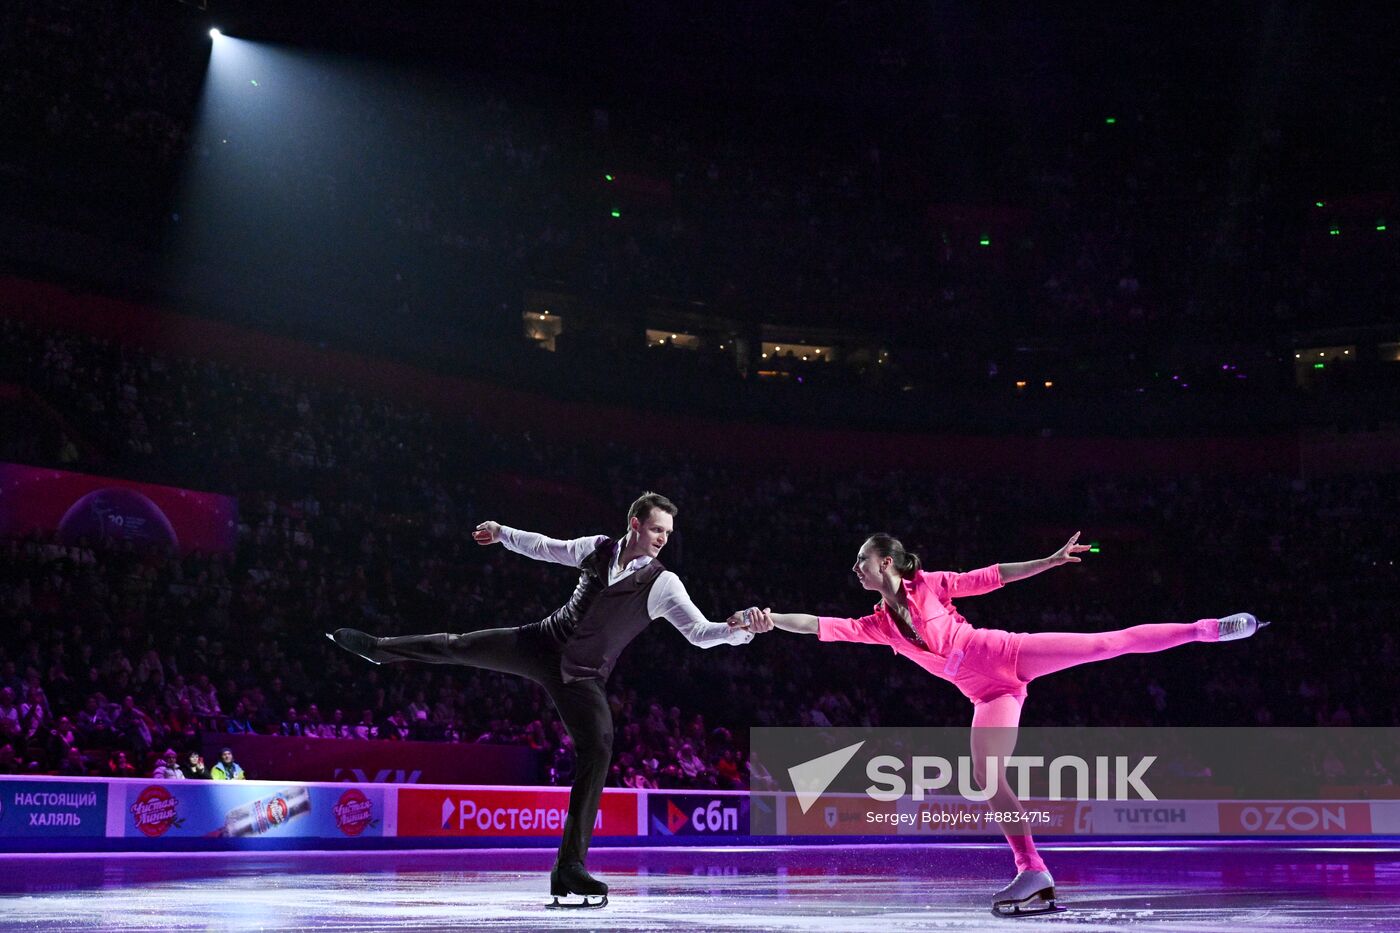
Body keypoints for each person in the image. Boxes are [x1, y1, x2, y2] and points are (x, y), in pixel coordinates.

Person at [744, 531, 1268, 917]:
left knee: (1107, 643)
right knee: (987, 780)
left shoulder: (931, 584)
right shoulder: (877, 626)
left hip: (1009, 654)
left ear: (886, 561)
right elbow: (817, 625)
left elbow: (994, 576)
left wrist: (1051, 560)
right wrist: (770, 621)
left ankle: (1207, 629)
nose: (854, 567)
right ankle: (1032, 872)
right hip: (987, 694)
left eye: (861, 559)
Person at [328, 492, 758, 908]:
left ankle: (569, 866)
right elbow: (545, 547)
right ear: (635, 524)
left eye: (668, 532)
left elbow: (701, 635)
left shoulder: (664, 583)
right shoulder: (597, 549)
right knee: (461, 645)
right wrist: (501, 532)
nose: (663, 537)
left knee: (599, 748)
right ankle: (379, 648)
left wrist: (739, 629)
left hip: (582, 677)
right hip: (541, 642)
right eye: (656, 529)